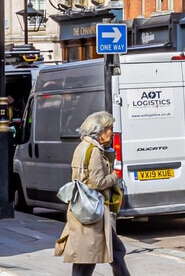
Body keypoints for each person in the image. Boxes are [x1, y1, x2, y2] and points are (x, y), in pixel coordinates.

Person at [55, 112, 130, 276]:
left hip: (83, 208)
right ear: (100, 131)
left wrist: (108, 152)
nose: (112, 131)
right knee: (87, 261)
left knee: (114, 252)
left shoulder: (82, 147)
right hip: (92, 211)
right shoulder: (94, 151)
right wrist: (114, 177)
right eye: (109, 128)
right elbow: (98, 182)